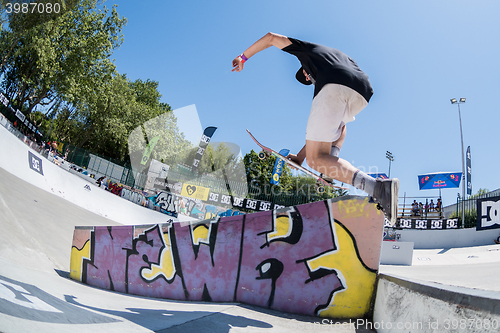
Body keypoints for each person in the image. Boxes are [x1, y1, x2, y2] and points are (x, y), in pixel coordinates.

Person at [232, 32, 399, 223]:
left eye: (307, 77)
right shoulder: (334, 57)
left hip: (334, 82)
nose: (309, 80)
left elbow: (271, 37)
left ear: (304, 68)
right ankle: (329, 165)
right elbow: (323, 133)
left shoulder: (307, 52)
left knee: (317, 159)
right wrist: (300, 157)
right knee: (338, 127)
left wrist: (243, 56)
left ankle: (377, 188)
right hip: (361, 90)